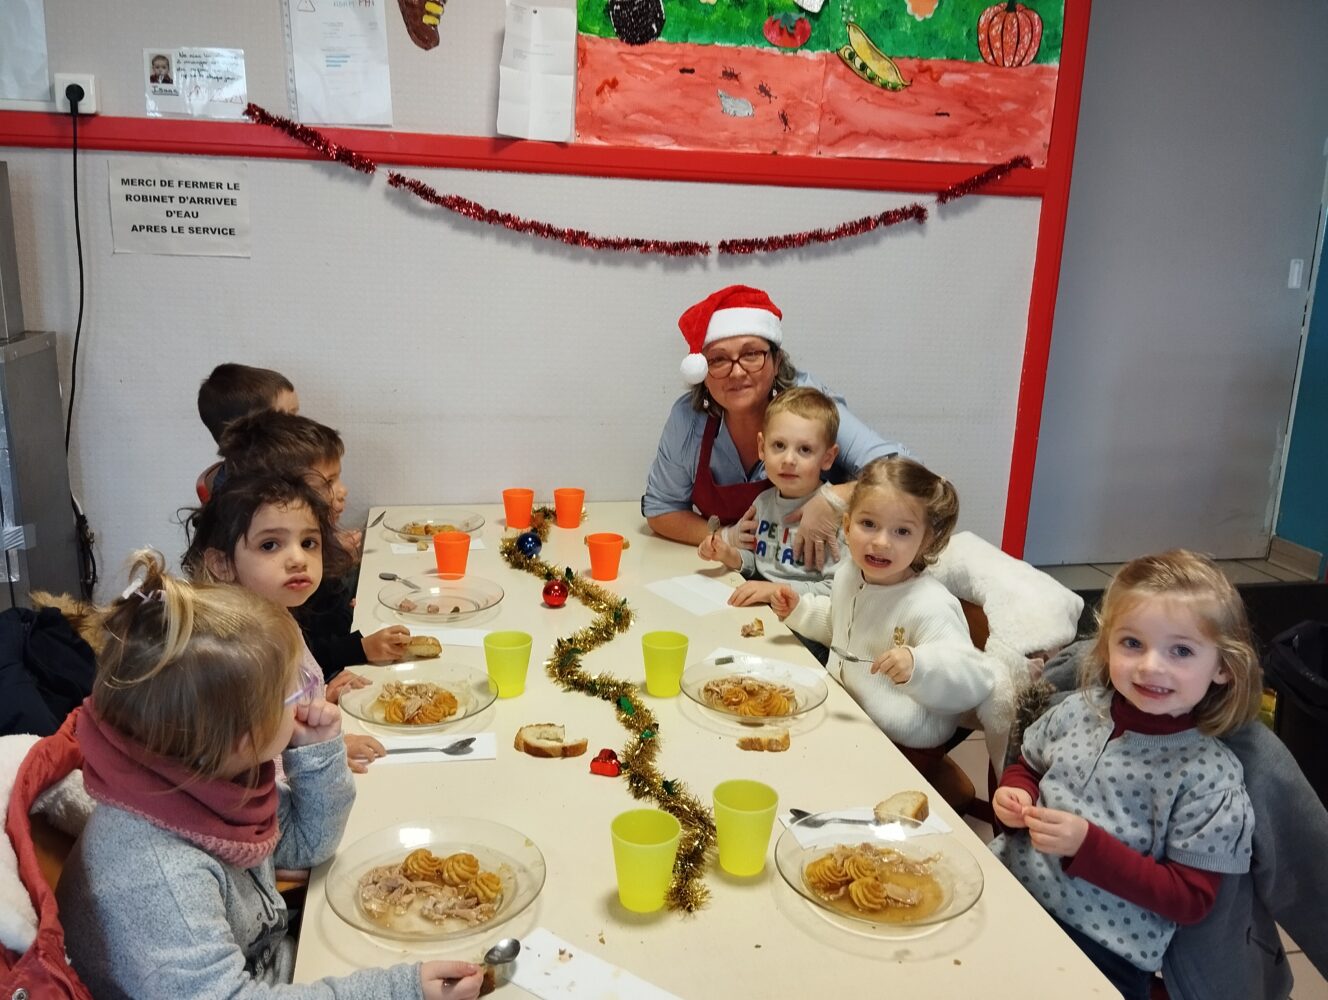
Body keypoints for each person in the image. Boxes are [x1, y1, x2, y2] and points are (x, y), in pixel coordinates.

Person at [56, 551, 485, 999]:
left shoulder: (211, 777)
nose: (306, 698)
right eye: (292, 691)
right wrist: (398, 991)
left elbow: (308, 844)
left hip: (273, 963)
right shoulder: (158, 875)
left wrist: (316, 753)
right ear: (243, 733)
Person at [989, 550, 1260, 1000]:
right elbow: (1029, 766)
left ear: (1223, 668)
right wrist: (1015, 793)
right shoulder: (1076, 711)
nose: (1151, 666)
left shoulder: (1210, 779)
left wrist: (1088, 846)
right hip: (1008, 889)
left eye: (1181, 651)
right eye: (1132, 643)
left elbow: (1189, 899)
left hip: (1100, 950)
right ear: (1106, 646)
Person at [770, 456, 991, 806]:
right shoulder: (849, 574)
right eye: (868, 524)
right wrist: (800, 611)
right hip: (849, 718)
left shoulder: (930, 604)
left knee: (810, 790)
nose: (882, 542)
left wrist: (918, 666)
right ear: (846, 526)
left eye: (902, 531)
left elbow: (974, 679)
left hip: (902, 746)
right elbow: (841, 627)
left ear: (926, 541)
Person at [643, 284, 909, 569]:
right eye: (718, 359)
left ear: (777, 359)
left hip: (814, 577)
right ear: (702, 371)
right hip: (736, 568)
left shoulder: (810, 404)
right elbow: (662, 509)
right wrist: (725, 537)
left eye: (751, 354)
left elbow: (906, 474)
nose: (737, 372)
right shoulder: (688, 419)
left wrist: (834, 499)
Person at [183, 475, 386, 773]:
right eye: (269, 545)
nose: (298, 559)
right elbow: (257, 764)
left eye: (308, 543)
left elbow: (286, 710)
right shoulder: (239, 652)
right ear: (222, 564)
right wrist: (325, 753)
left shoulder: (280, 616)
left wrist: (319, 697)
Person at [218, 411, 410, 672]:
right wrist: (358, 648)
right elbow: (305, 656)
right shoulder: (258, 613)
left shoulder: (309, 548)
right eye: (328, 481)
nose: (342, 491)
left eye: (308, 543)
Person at [697, 386, 844, 606]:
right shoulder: (763, 503)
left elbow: (836, 590)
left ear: (828, 457)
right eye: (779, 445)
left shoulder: (834, 515)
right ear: (762, 447)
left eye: (805, 449)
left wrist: (777, 591)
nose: (789, 460)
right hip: (762, 611)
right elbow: (762, 564)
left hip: (806, 620)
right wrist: (730, 555)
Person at [196, 363, 299, 501]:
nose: (300, 424)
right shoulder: (248, 496)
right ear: (247, 431)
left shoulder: (276, 468)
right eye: (290, 416)